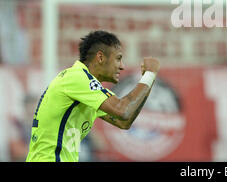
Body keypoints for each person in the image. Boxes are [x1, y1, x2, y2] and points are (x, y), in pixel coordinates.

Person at [26, 30, 160, 162]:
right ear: (100, 57)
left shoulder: (87, 88)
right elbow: (123, 110)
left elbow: (124, 122)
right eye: (118, 59)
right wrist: (149, 74)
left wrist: (150, 79)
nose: (122, 66)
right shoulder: (78, 77)